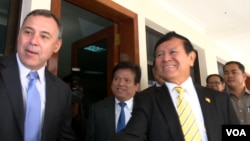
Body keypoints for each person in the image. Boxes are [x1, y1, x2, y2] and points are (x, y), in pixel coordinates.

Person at [111, 31, 239, 141]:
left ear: (191, 58)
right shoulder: (147, 99)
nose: (166, 58)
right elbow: (131, 135)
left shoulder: (219, 98)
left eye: (173, 52)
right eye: (159, 54)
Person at [0, 9, 75, 141]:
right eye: (28, 32)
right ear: (19, 35)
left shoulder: (63, 91)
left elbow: (64, 136)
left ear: (57, 46)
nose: (33, 41)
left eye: (44, 36)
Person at [85, 61, 141, 141]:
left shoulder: (146, 109)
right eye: (116, 79)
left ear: (136, 86)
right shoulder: (97, 109)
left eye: (127, 80)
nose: (121, 83)